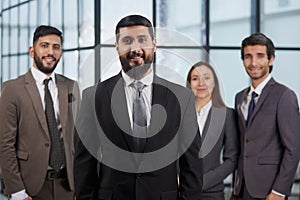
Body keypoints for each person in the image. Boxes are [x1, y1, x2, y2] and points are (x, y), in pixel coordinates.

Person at [74, 14, 203, 200]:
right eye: (127, 41)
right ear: (117, 47)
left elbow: (192, 166)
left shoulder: (182, 98)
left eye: (142, 40)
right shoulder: (93, 97)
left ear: (154, 44)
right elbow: (84, 165)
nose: (136, 48)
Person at [0, 25, 80, 200]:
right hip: (30, 187)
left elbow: (78, 140)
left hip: (67, 186)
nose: (50, 52)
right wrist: (17, 191)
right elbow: (5, 144)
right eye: (44, 45)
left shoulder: (71, 86)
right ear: (31, 50)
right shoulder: (12, 89)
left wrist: (79, 186)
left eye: (56, 47)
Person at [232, 33, 300, 200]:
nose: (253, 63)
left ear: (271, 60)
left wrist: (279, 191)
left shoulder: (284, 95)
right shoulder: (239, 97)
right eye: (248, 57)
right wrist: (235, 188)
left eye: (260, 56)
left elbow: (293, 149)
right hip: (242, 189)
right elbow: (242, 146)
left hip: (269, 190)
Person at [186, 61, 239, 199]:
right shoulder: (180, 114)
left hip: (210, 193)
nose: (201, 83)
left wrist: (201, 182)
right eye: (195, 78)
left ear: (214, 83)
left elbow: (231, 160)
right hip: (181, 191)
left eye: (206, 77)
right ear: (189, 84)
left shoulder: (226, 115)